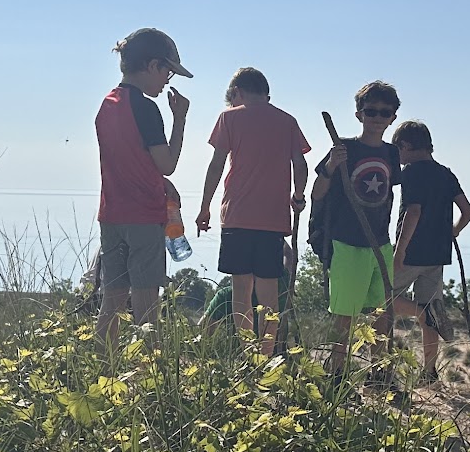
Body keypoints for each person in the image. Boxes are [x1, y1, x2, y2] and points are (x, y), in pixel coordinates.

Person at [195, 68, 311, 356]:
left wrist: (205, 206)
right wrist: (298, 196)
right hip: (273, 218)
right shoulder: (287, 121)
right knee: (269, 290)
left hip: (237, 214)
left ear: (237, 92)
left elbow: (216, 164)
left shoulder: (230, 117)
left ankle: (248, 354)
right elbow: (300, 163)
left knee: (241, 290)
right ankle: (266, 355)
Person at [93, 28, 191, 349]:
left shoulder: (108, 104)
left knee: (113, 300)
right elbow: (166, 163)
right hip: (143, 217)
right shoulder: (147, 109)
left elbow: (127, 157)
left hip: (111, 215)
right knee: (147, 307)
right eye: (167, 72)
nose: (167, 81)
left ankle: (102, 370)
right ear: (152, 66)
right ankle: (151, 380)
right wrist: (179, 120)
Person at [311, 80, 402, 376]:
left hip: (380, 241)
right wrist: (330, 167)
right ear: (359, 113)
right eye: (371, 110)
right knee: (345, 316)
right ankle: (337, 375)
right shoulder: (344, 149)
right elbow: (317, 193)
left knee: (383, 313)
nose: (377, 117)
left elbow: (390, 194)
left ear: (393, 117)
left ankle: (379, 375)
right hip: (347, 242)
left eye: (384, 112)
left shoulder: (391, 154)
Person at [389, 120, 470, 384]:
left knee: (379, 301)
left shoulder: (411, 173)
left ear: (404, 146)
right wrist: (454, 231)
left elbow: (413, 212)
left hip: (412, 252)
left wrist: (400, 251)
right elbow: (467, 211)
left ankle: (422, 313)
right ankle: (429, 372)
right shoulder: (445, 173)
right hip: (438, 255)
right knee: (431, 306)